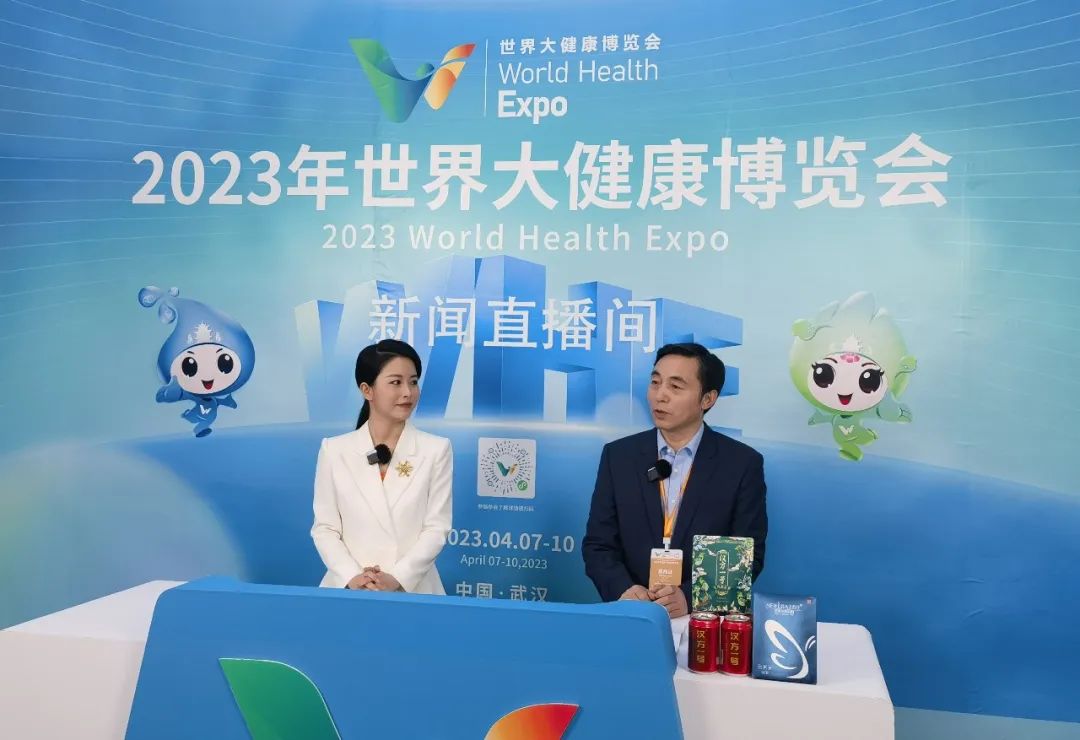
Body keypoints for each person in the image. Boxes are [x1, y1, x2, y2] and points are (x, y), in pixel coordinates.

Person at [582, 342, 767, 618]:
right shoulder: (619, 456)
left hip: (702, 622)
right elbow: (598, 545)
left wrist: (690, 599)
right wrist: (624, 590)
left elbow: (747, 557)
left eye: (676, 386)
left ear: (708, 399)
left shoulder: (741, 464)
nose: (660, 396)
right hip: (634, 615)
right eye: (655, 382)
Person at [311, 339, 453, 594]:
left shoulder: (436, 450)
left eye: (413, 382)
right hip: (349, 589)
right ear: (367, 390)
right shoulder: (334, 450)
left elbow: (436, 528)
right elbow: (325, 528)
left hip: (413, 589)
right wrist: (353, 576)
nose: (408, 392)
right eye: (396, 382)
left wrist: (398, 578)